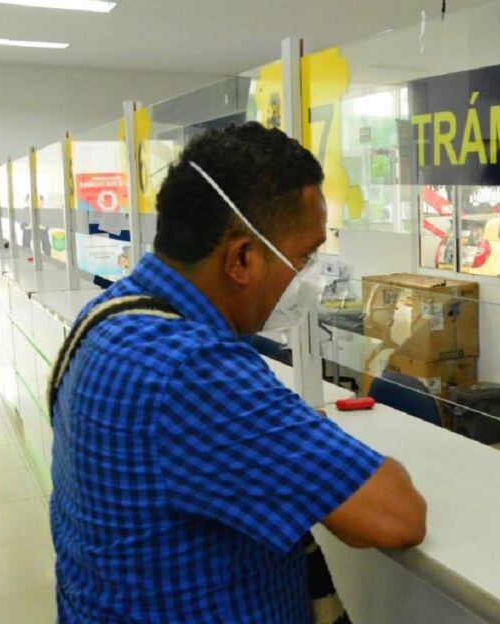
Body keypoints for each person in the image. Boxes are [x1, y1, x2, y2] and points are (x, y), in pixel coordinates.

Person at [50, 123, 426, 623]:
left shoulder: (109, 315)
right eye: (305, 256)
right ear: (242, 259)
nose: (309, 276)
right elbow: (396, 516)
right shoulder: (191, 370)